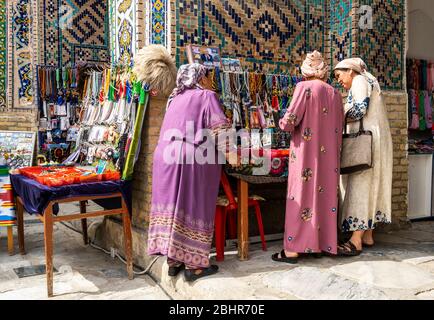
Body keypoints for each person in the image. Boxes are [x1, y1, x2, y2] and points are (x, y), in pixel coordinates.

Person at [147, 63, 232, 282]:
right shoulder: (206, 96)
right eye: (206, 76)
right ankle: (194, 266)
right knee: (192, 206)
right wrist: (232, 155)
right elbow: (219, 130)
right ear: (199, 78)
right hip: (188, 159)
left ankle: (174, 261)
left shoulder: (174, 98)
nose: (208, 81)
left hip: (164, 159)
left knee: (174, 207)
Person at [272, 51, 344, 263]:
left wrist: (281, 123)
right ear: (323, 71)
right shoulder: (335, 93)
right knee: (324, 196)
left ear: (305, 69)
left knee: (301, 194)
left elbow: (290, 120)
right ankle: (320, 244)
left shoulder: (303, 88)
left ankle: (293, 249)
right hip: (329, 156)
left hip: (305, 154)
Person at [334, 58, 393, 256]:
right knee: (372, 185)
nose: (339, 80)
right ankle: (367, 235)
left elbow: (359, 110)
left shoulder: (359, 80)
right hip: (375, 140)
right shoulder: (371, 80)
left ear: (350, 71)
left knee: (360, 187)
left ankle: (355, 240)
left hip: (364, 143)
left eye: (339, 75)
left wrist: (337, 112)